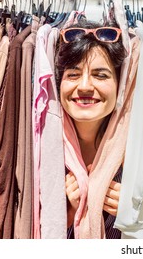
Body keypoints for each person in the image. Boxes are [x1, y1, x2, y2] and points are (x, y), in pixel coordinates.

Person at [55, 20, 126, 238]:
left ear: (120, 84)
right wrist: (63, 215)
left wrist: (138, 218)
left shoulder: (137, 154)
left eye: (100, 75)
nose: (85, 86)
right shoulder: (42, 150)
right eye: (73, 75)